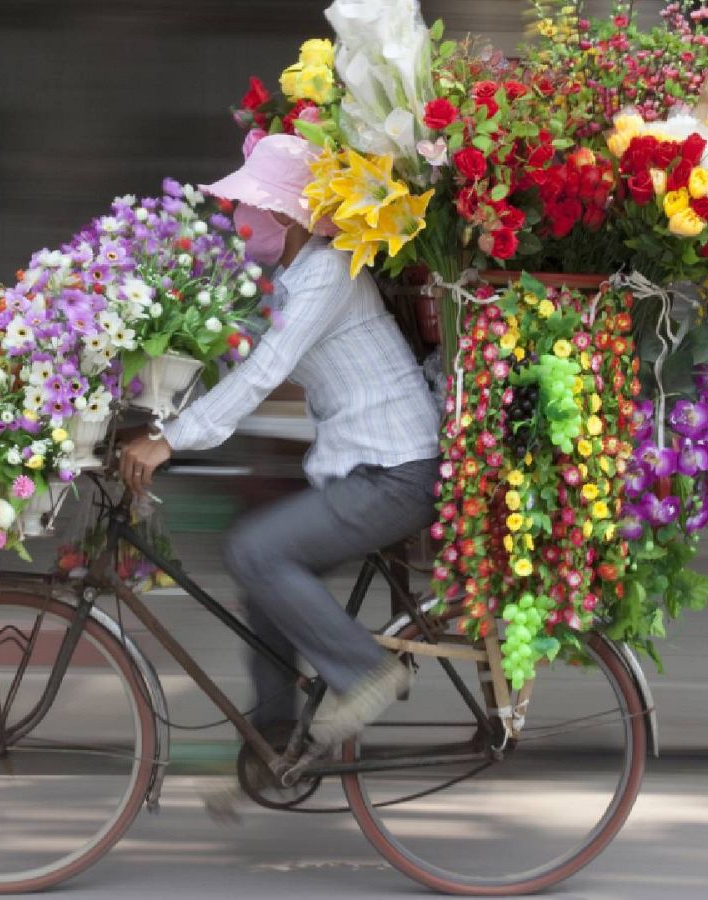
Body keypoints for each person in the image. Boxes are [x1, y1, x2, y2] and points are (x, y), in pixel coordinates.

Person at [118, 134, 442, 810]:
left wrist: (171, 442)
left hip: (393, 474)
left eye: (253, 206)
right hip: (364, 469)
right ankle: (273, 737)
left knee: (254, 550)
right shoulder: (298, 276)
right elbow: (240, 359)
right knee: (259, 569)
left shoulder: (326, 271)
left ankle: (367, 672)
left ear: (290, 216)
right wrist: (146, 408)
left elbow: (264, 372)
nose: (242, 219)